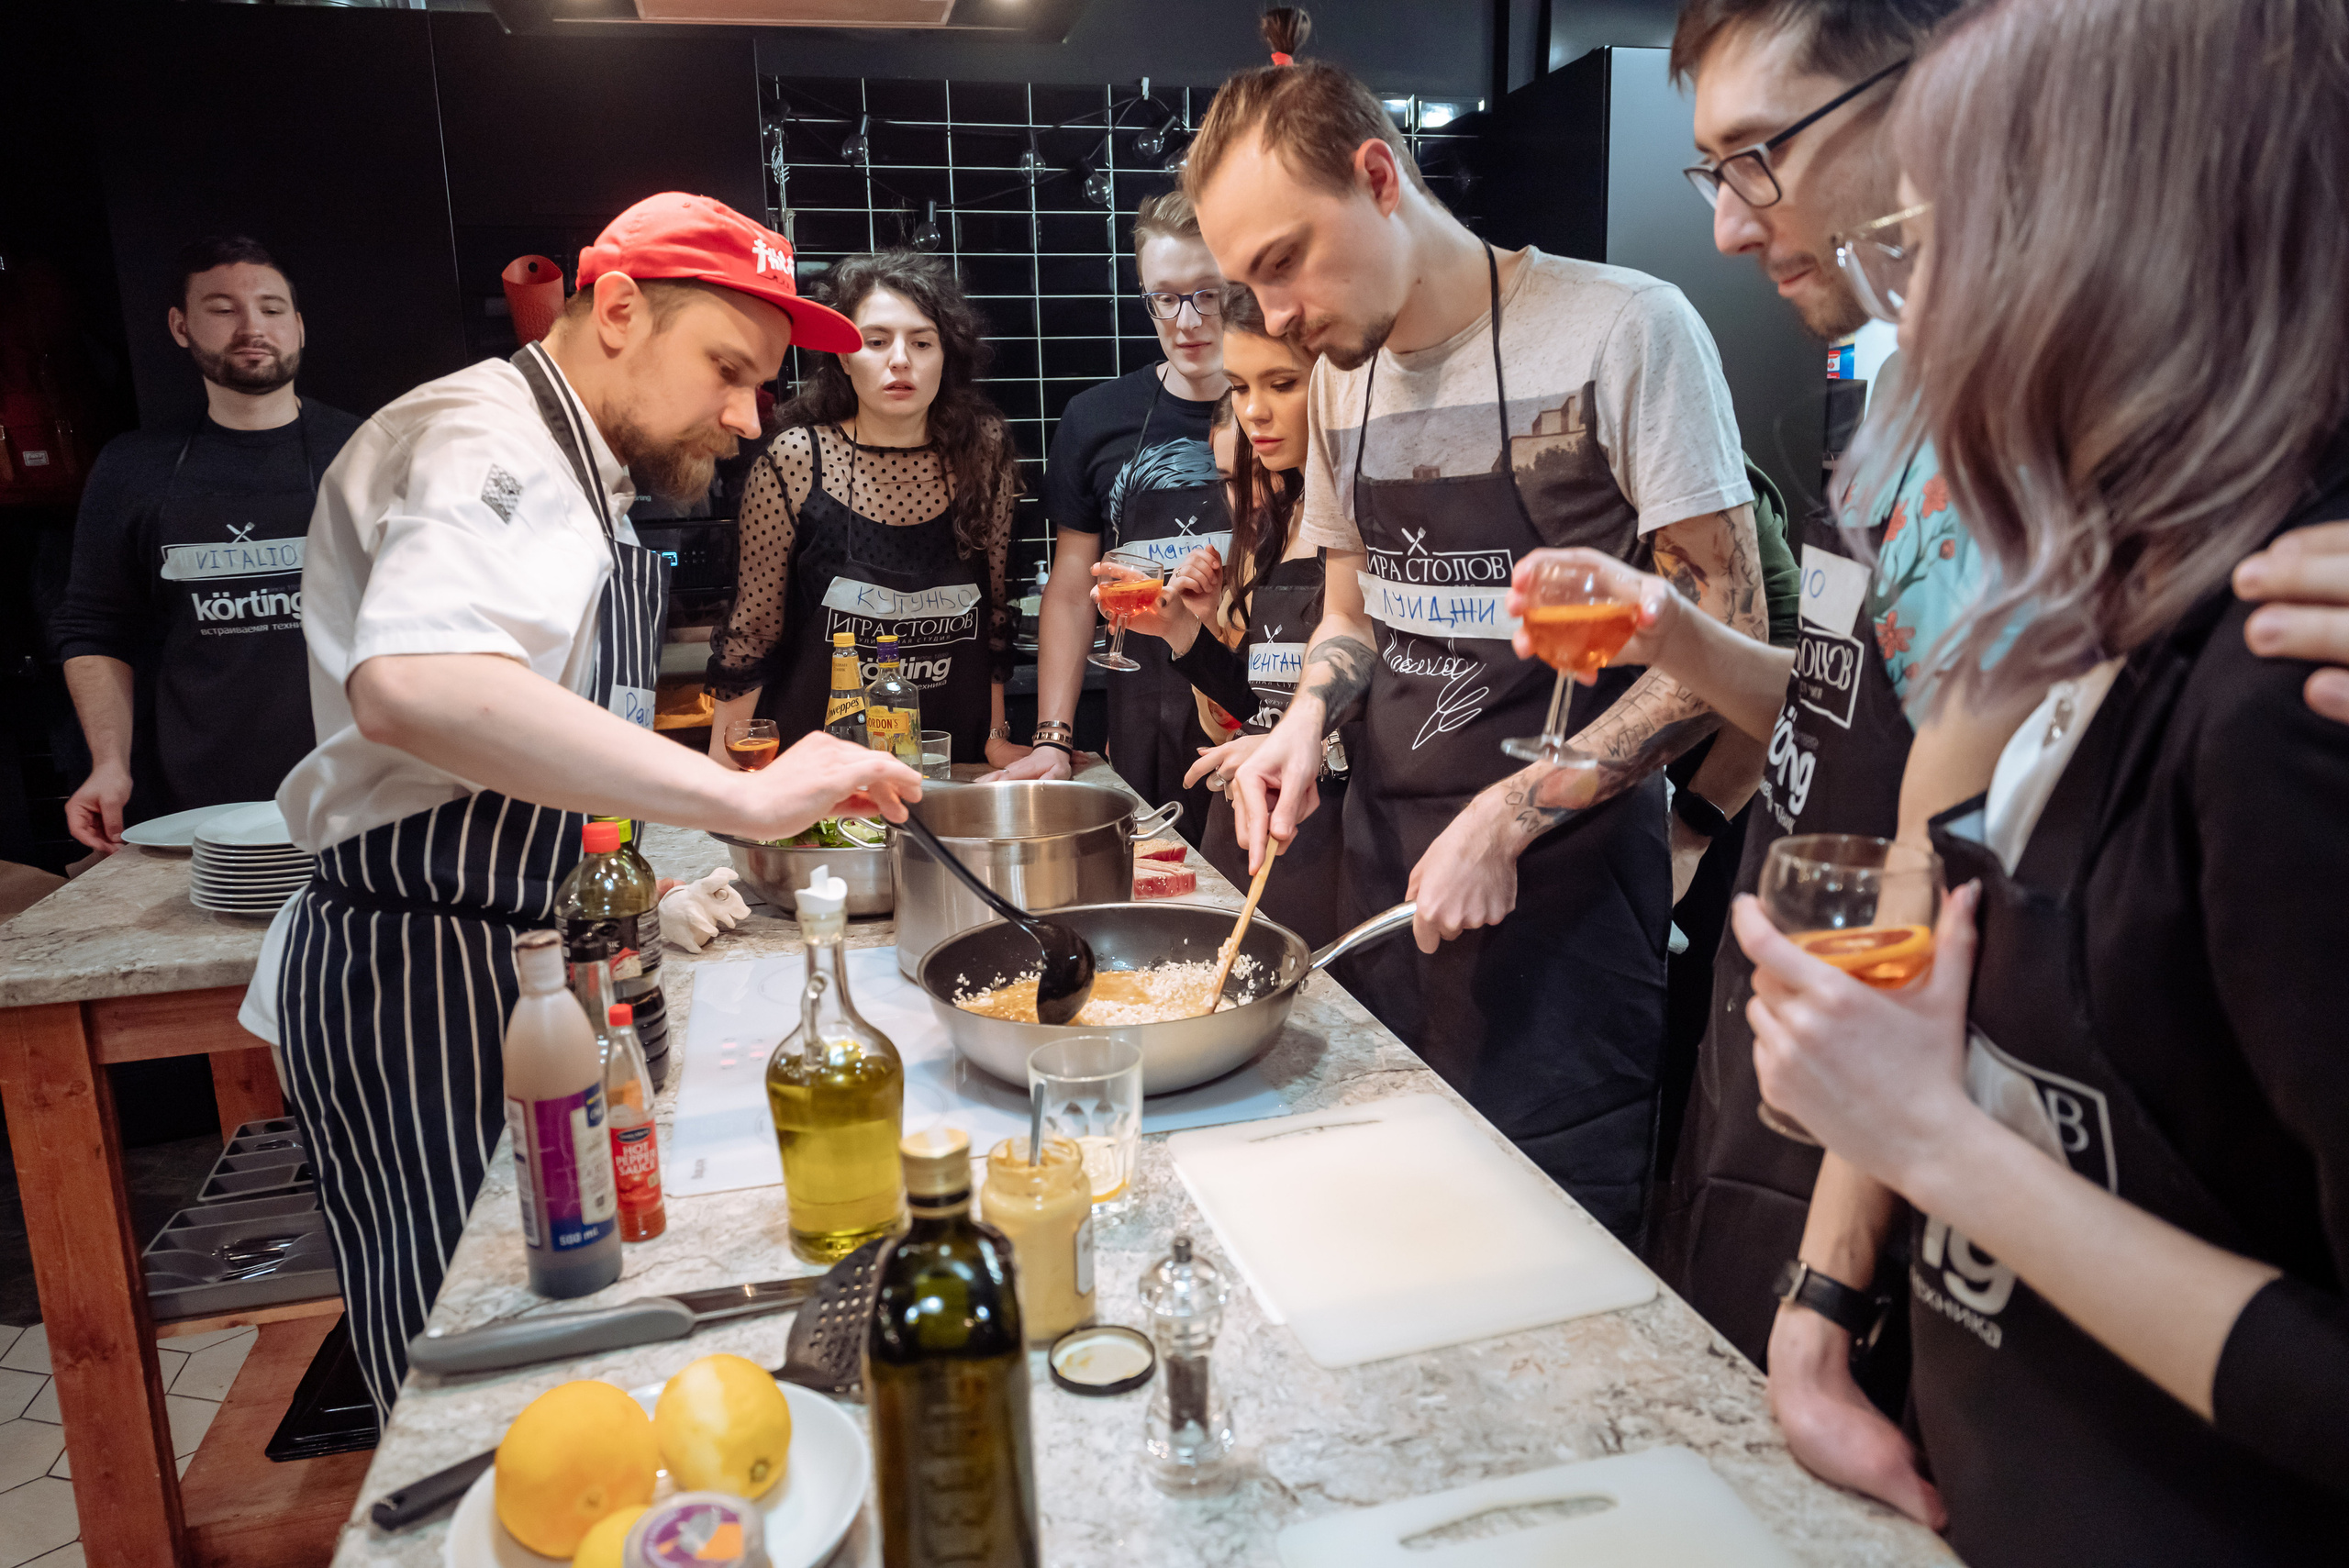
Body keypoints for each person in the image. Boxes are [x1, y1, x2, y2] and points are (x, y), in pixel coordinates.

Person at [1731, 2, 2349, 1560]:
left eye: (1940, 242)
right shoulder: (2085, 602)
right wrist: (1831, 1292)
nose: (1910, 314)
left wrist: (1935, 1141)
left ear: (2107, 263)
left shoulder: (2287, 685)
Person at [242, 194, 923, 1415]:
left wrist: (651, 887)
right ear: (616, 310)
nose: (744, 416)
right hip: (423, 972)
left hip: (520, 961)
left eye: (762, 385)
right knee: (470, 1353)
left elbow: (532, 745)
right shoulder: (485, 438)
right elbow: (416, 686)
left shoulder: (579, 466)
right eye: (727, 368)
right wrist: (741, 796)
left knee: (544, 1336)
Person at [1191, 61, 1765, 1239]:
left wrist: (1513, 814)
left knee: (1548, 1254)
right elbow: (1352, 604)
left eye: (1285, 259)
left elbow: (1732, 627)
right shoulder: (1346, 382)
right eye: (1248, 282)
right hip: (1386, 874)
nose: (1277, 314)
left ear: (1378, 174)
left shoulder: (1626, 329)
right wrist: (1300, 722)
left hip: (1562, 906)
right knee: (1390, 1224)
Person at [50, 237, 362, 851]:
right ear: (180, 326)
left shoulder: (367, 451)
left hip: (355, 792)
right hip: (200, 808)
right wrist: (108, 764)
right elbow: (94, 628)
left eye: (272, 309)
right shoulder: (132, 468)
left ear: (298, 326)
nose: (252, 326)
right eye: (222, 309)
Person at [1107, 284, 1357, 945]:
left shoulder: (1360, 527)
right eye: (1242, 387)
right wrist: (1184, 633)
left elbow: (1393, 717)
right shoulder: (1278, 529)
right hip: (1248, 828)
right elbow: (1261, 701)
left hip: (1327, 840)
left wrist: (1306, 746)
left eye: (1280, 382)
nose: (1256, 414)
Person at [704, 250, 1024, 769]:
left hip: (949, 758)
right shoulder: (797, 459)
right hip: (817, 763)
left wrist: (995, 734)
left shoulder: (984, 452)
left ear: (946, 356)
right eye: (876, 342)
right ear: (843, 357)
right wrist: (724, 761)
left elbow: (994, 611)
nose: (900, 360)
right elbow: (751, 632)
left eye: (922, 342)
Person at [985, 192, 1230, 840]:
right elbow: (1071, 590)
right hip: (1146, 713)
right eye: (1165, 298)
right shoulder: (1096, 418)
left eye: (1208, 293)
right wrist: (1053, 740)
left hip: (1259, 704)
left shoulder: (1293, 409)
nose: (1186, 319)